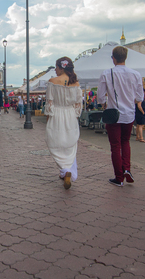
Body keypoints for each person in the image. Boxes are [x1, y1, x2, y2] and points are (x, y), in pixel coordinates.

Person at [98, 46, 144, 187]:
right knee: (126, 142)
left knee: (115, 146)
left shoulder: (107, 73)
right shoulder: (136, 74)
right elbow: (139, 97)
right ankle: (127, 169)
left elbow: (100, 97)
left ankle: (119, 177)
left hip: (113, 114)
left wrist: (105, 103)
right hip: (129, 114)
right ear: (125, 57)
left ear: (114, 58)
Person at [45, 57, 82, 190]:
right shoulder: (76, 84)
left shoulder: (52, 82)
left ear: (61, 67)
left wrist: (49, 118)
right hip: (70, 115)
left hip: (57, 114)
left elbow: (49, 103)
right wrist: (74, 117)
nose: (55, 70)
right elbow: (78, 105)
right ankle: (67, 171)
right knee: (70, 144)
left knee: (55, 143)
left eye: (56, 67)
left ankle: (64, 170)